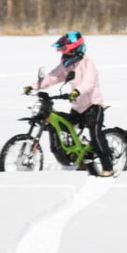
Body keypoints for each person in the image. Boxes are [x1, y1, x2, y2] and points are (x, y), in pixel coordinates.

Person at [26, 30, 113, 175]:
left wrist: (77, 91)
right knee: (59, 125)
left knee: (96, 136)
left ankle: (107, 167)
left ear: (76, 48)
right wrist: (34, 86)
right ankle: (80, 159)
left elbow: (88, 83)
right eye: (61, 49)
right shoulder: (67, 64)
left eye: (65, 49)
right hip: (77, 107)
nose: (62, 53)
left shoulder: (87, 64)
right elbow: (53, 77)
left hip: (92, 106)